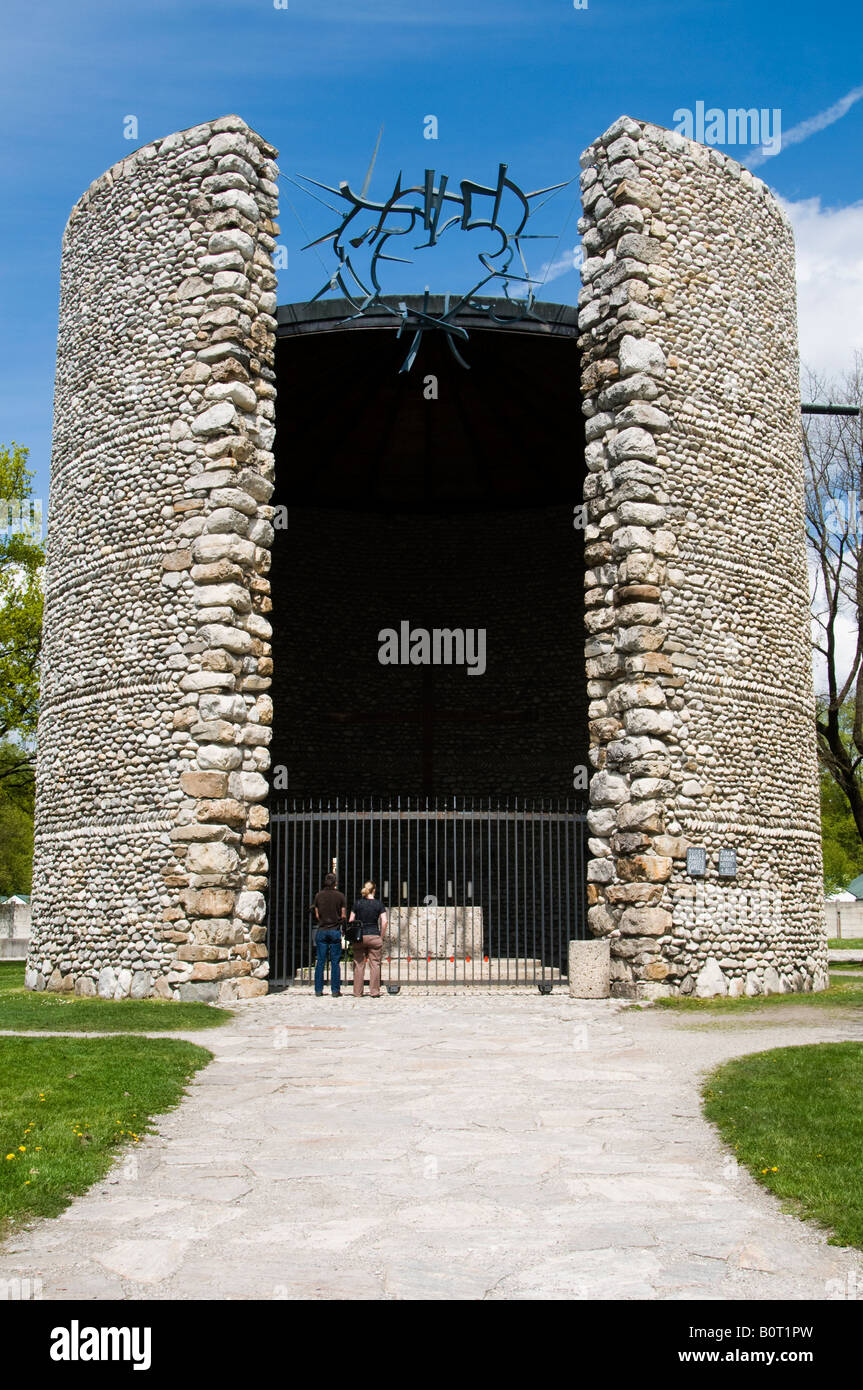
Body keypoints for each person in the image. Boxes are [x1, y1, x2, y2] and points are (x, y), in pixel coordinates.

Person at [348, 881, 388, 998]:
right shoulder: (378, 904)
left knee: (359, 964)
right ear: (374, 890)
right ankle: (374, 991)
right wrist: (381, 936)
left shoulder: (358, 903)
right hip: (374, 934)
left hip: (360, 936)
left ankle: (357, 992)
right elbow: (384, 921)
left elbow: (351, 920)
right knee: (375, 964)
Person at [312, 872, 346, 997]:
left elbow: (317, 914)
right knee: (335, 962)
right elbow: (343, 915)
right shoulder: (340, 896)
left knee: (320, 961)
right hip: (335, 929)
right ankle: (335, 990)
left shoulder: (318, 896)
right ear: (335, 883)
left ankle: (318, 989)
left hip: (322, 929)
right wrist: (339, 922)